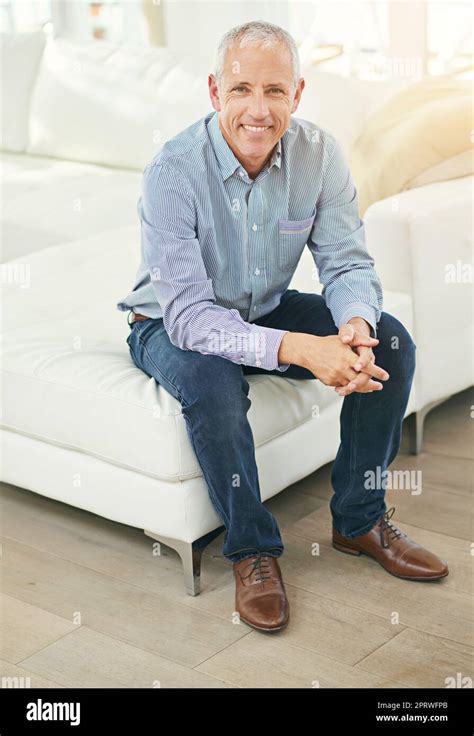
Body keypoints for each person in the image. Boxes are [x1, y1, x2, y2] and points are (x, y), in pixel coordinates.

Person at [117, 20, 449, 633]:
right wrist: (300, 349)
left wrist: (352, 325)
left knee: (390, 341)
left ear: (296, 96)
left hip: (261, 308)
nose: (258, 109)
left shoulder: (318, 154)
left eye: (275, 91)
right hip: (169, 321)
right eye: (242, 89)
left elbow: (346, 261)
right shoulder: (173, 170)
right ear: (216, 92)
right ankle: (253, 551)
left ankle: (359, 521)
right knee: (212, 382)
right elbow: (190, 317)